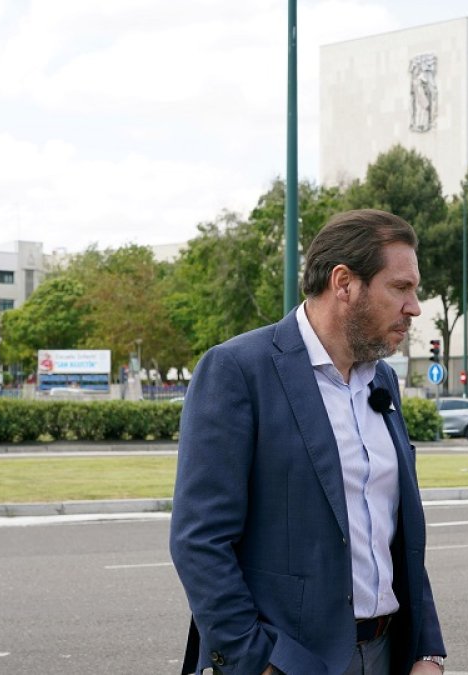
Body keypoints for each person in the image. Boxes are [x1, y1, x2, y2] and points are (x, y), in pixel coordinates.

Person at [171, 209, 447, 675]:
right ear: (344, 283)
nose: (415, 307)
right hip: (289, 660)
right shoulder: (238, 370)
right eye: (401, 288)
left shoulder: (382, 381)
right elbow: (199, 540)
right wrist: (258, 661)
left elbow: (395, 534)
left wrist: (425, 651)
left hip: (386, 655)